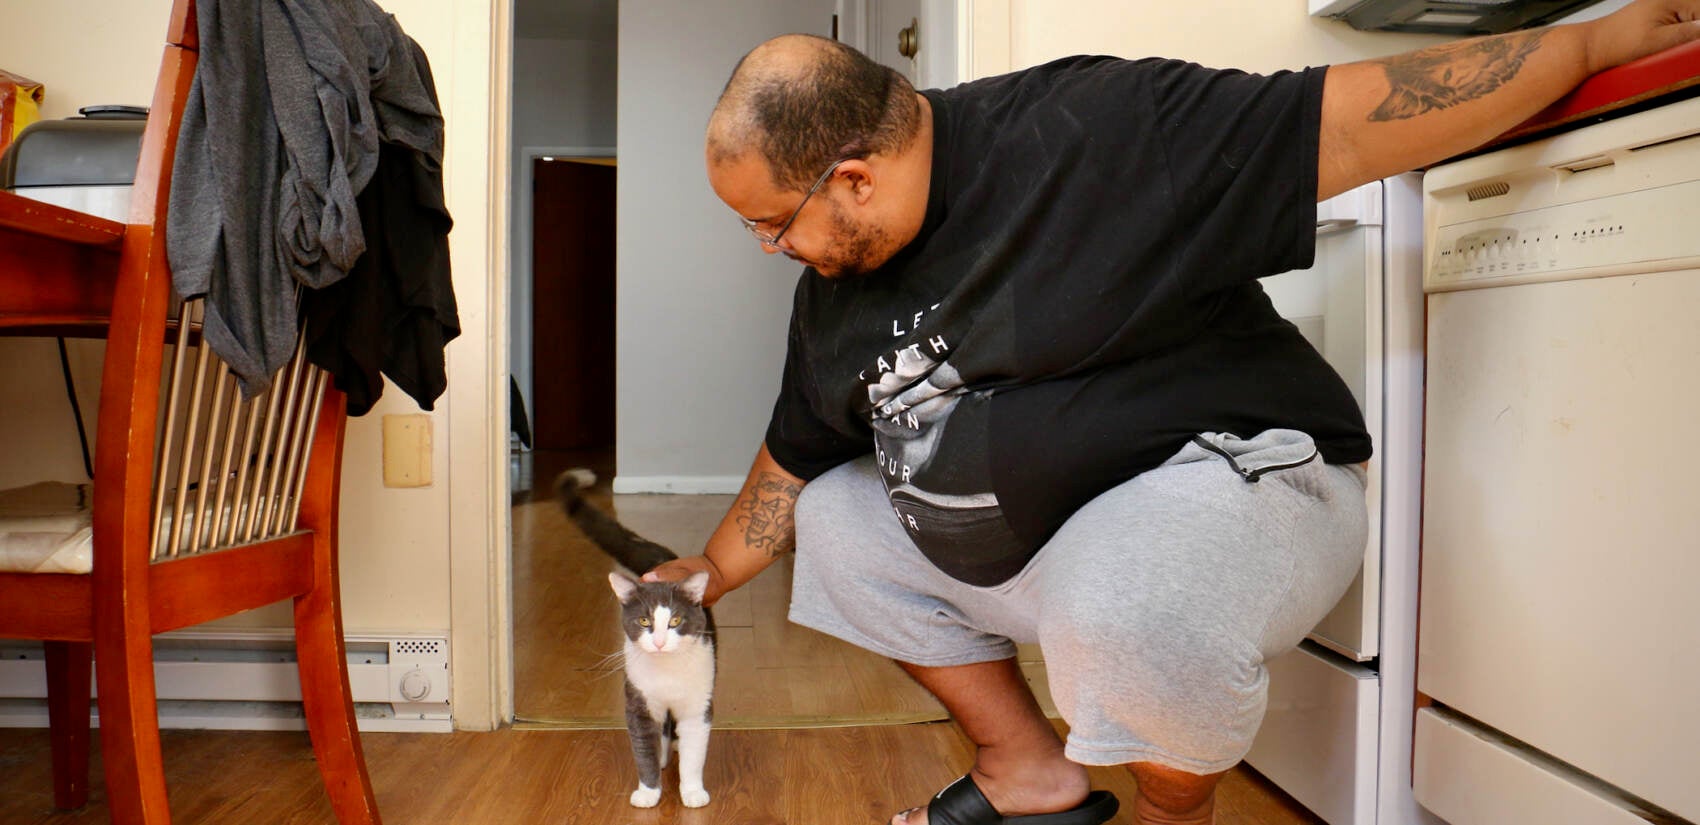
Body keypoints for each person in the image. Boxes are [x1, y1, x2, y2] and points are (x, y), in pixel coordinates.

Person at [647, 3, 1700, 823]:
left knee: (1129, 600)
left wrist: (1591, 38)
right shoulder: (832, 295)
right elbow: (791, 467)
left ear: (853, 179)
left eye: (771, 225)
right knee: (837, 519)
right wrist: (701, 572)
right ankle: (1027, 772)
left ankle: (1169, 810)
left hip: (1232, 487)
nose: (770, 250)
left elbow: (1357, 114)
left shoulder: (1094, 130)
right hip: (1039, 554)